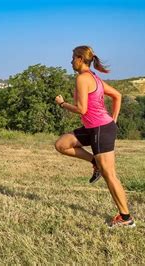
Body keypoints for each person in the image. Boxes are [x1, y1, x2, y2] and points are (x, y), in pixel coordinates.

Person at [54, 45, 135, 228]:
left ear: (81, 59)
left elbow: (81, 109)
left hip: (100, 129)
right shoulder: (94, 78)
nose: (71, 61)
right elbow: (117, 95)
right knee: (62, 144)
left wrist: (62, 104)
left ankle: (125, 217)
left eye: (73, 57)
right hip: (94, 128)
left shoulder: (83, 78)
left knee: (110, 175)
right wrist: (113, 120)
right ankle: (94, 162)